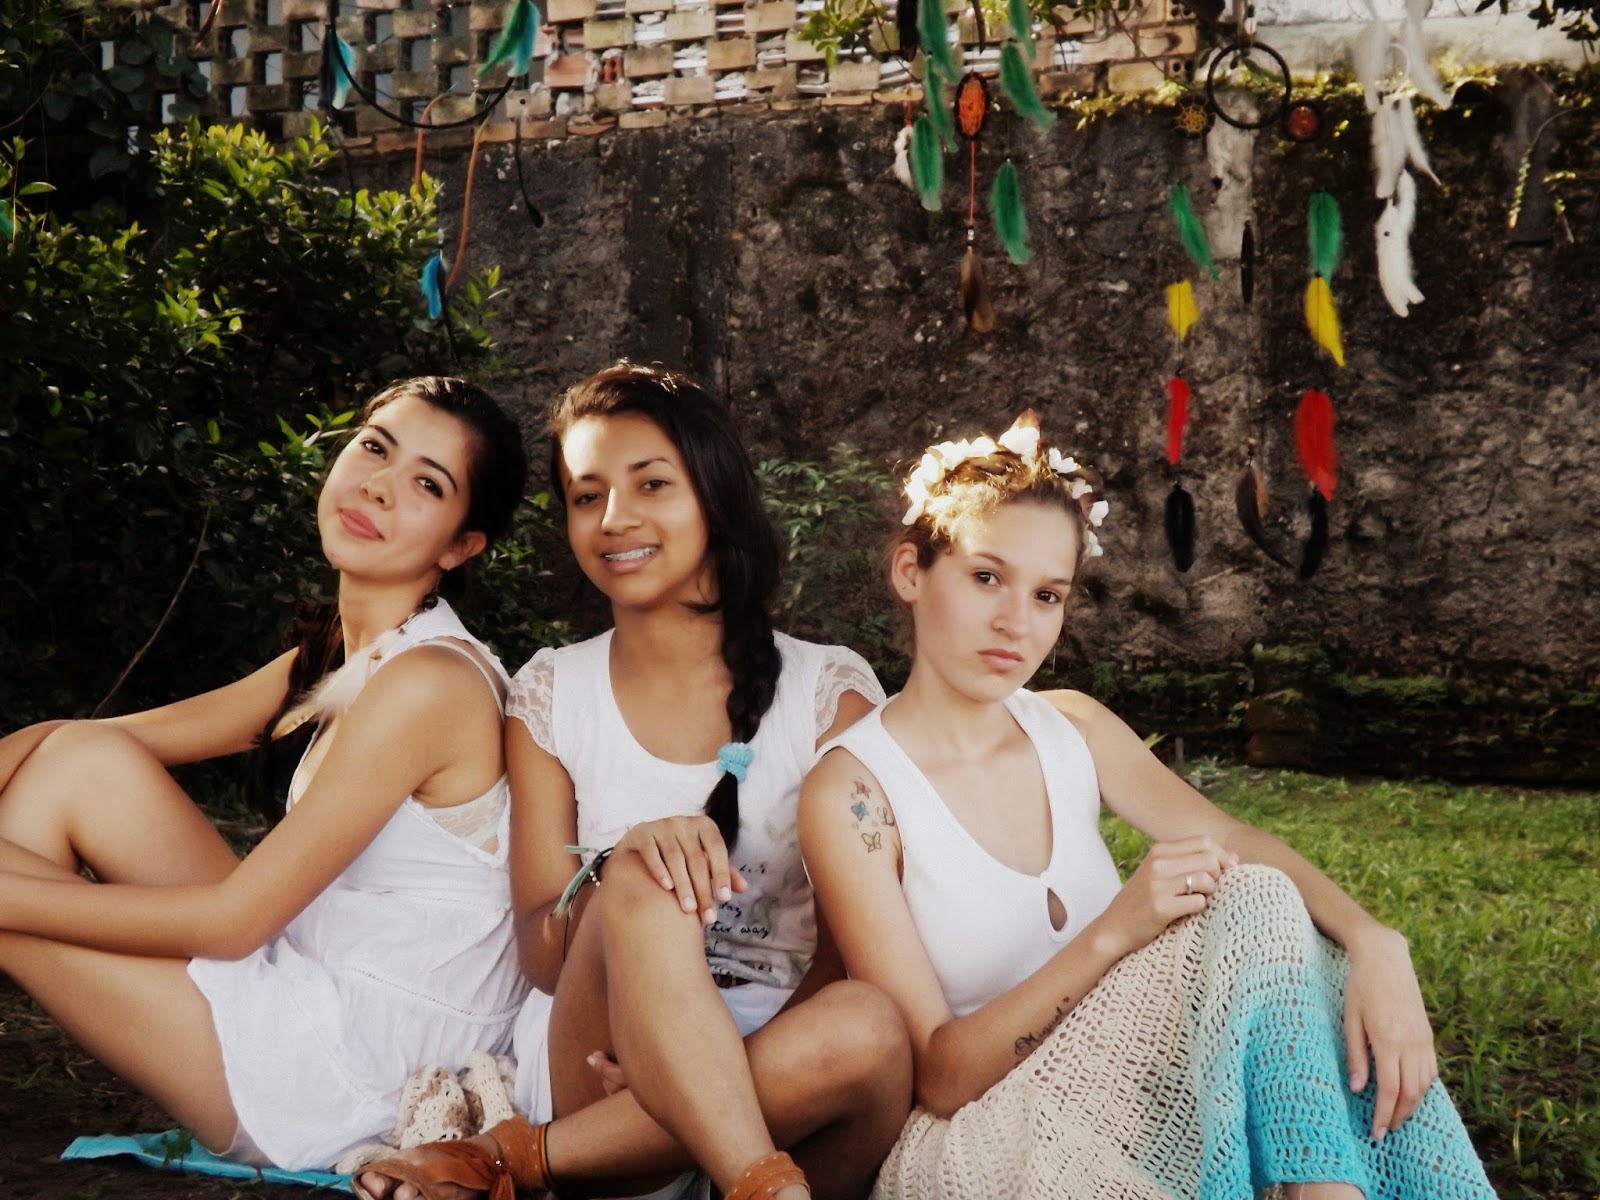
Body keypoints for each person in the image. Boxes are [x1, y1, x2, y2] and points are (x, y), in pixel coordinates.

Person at [797, 414, 1499, 1199]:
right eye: (986, 577)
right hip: (977, 1145)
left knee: (1260, 895)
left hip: (1127, 1100)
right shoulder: (854, 794)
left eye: (1047, 595)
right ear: (910, 571)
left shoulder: (1072, 727)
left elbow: (1234, 838)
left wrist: (1375, 942)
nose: (1015, 623)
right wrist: (1116, 931)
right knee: (1255, 902)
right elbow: (939, 1075)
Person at [355, 362, 911, 1200]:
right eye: (587, 496)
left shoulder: (828, 693)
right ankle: (761, 1184)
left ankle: (524, 1157)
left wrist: (691, 1082)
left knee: (872, 1026)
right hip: (601, 1053)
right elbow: (544, 955)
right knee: (643, 871)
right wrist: (618, 873)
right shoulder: (552, 694)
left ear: (714, 493)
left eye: (651, 483)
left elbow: (850, 954)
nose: (615, 518)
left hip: (785, 1063)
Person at [0, 375, 531, 1172]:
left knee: (14, 911)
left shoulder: (432, 683)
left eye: (427, 484)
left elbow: (232, 924)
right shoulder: (352, 653)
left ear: (460, 546)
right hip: (305, 977)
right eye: (374, 448)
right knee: (78, 764)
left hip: (356, 1067)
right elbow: (84, 744)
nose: (379, 486)